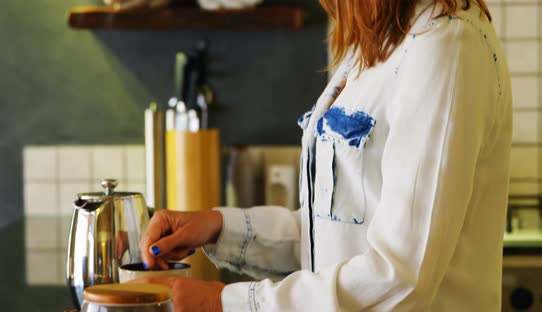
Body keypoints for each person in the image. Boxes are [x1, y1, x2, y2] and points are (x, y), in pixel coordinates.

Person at [136, 0, 512, 310]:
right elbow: (335, 234)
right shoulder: (378, 43)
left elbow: (401, 276)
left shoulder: (445, 45)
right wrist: (219, 226)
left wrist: (227, 303)